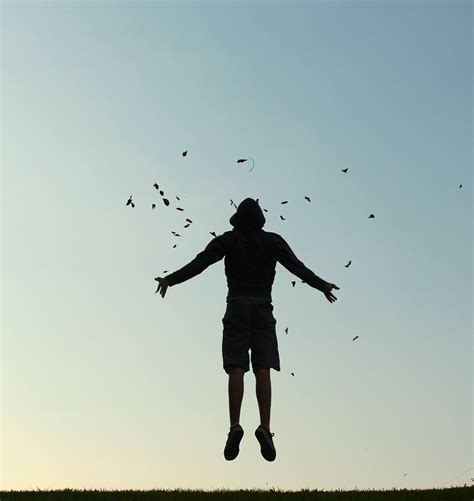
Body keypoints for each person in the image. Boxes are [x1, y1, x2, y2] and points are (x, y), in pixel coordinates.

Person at [154, 197, 339, 462]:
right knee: (263, 368)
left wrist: (170, 279)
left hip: (237, 307)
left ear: (237, 220)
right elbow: (297, 267)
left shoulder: (228, 240)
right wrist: (321, 285)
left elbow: (201, 262)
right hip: (263, 308)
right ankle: (264, 426)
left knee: (236, 368)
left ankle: (234, 426)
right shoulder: (272, 241)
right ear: (261, 221)